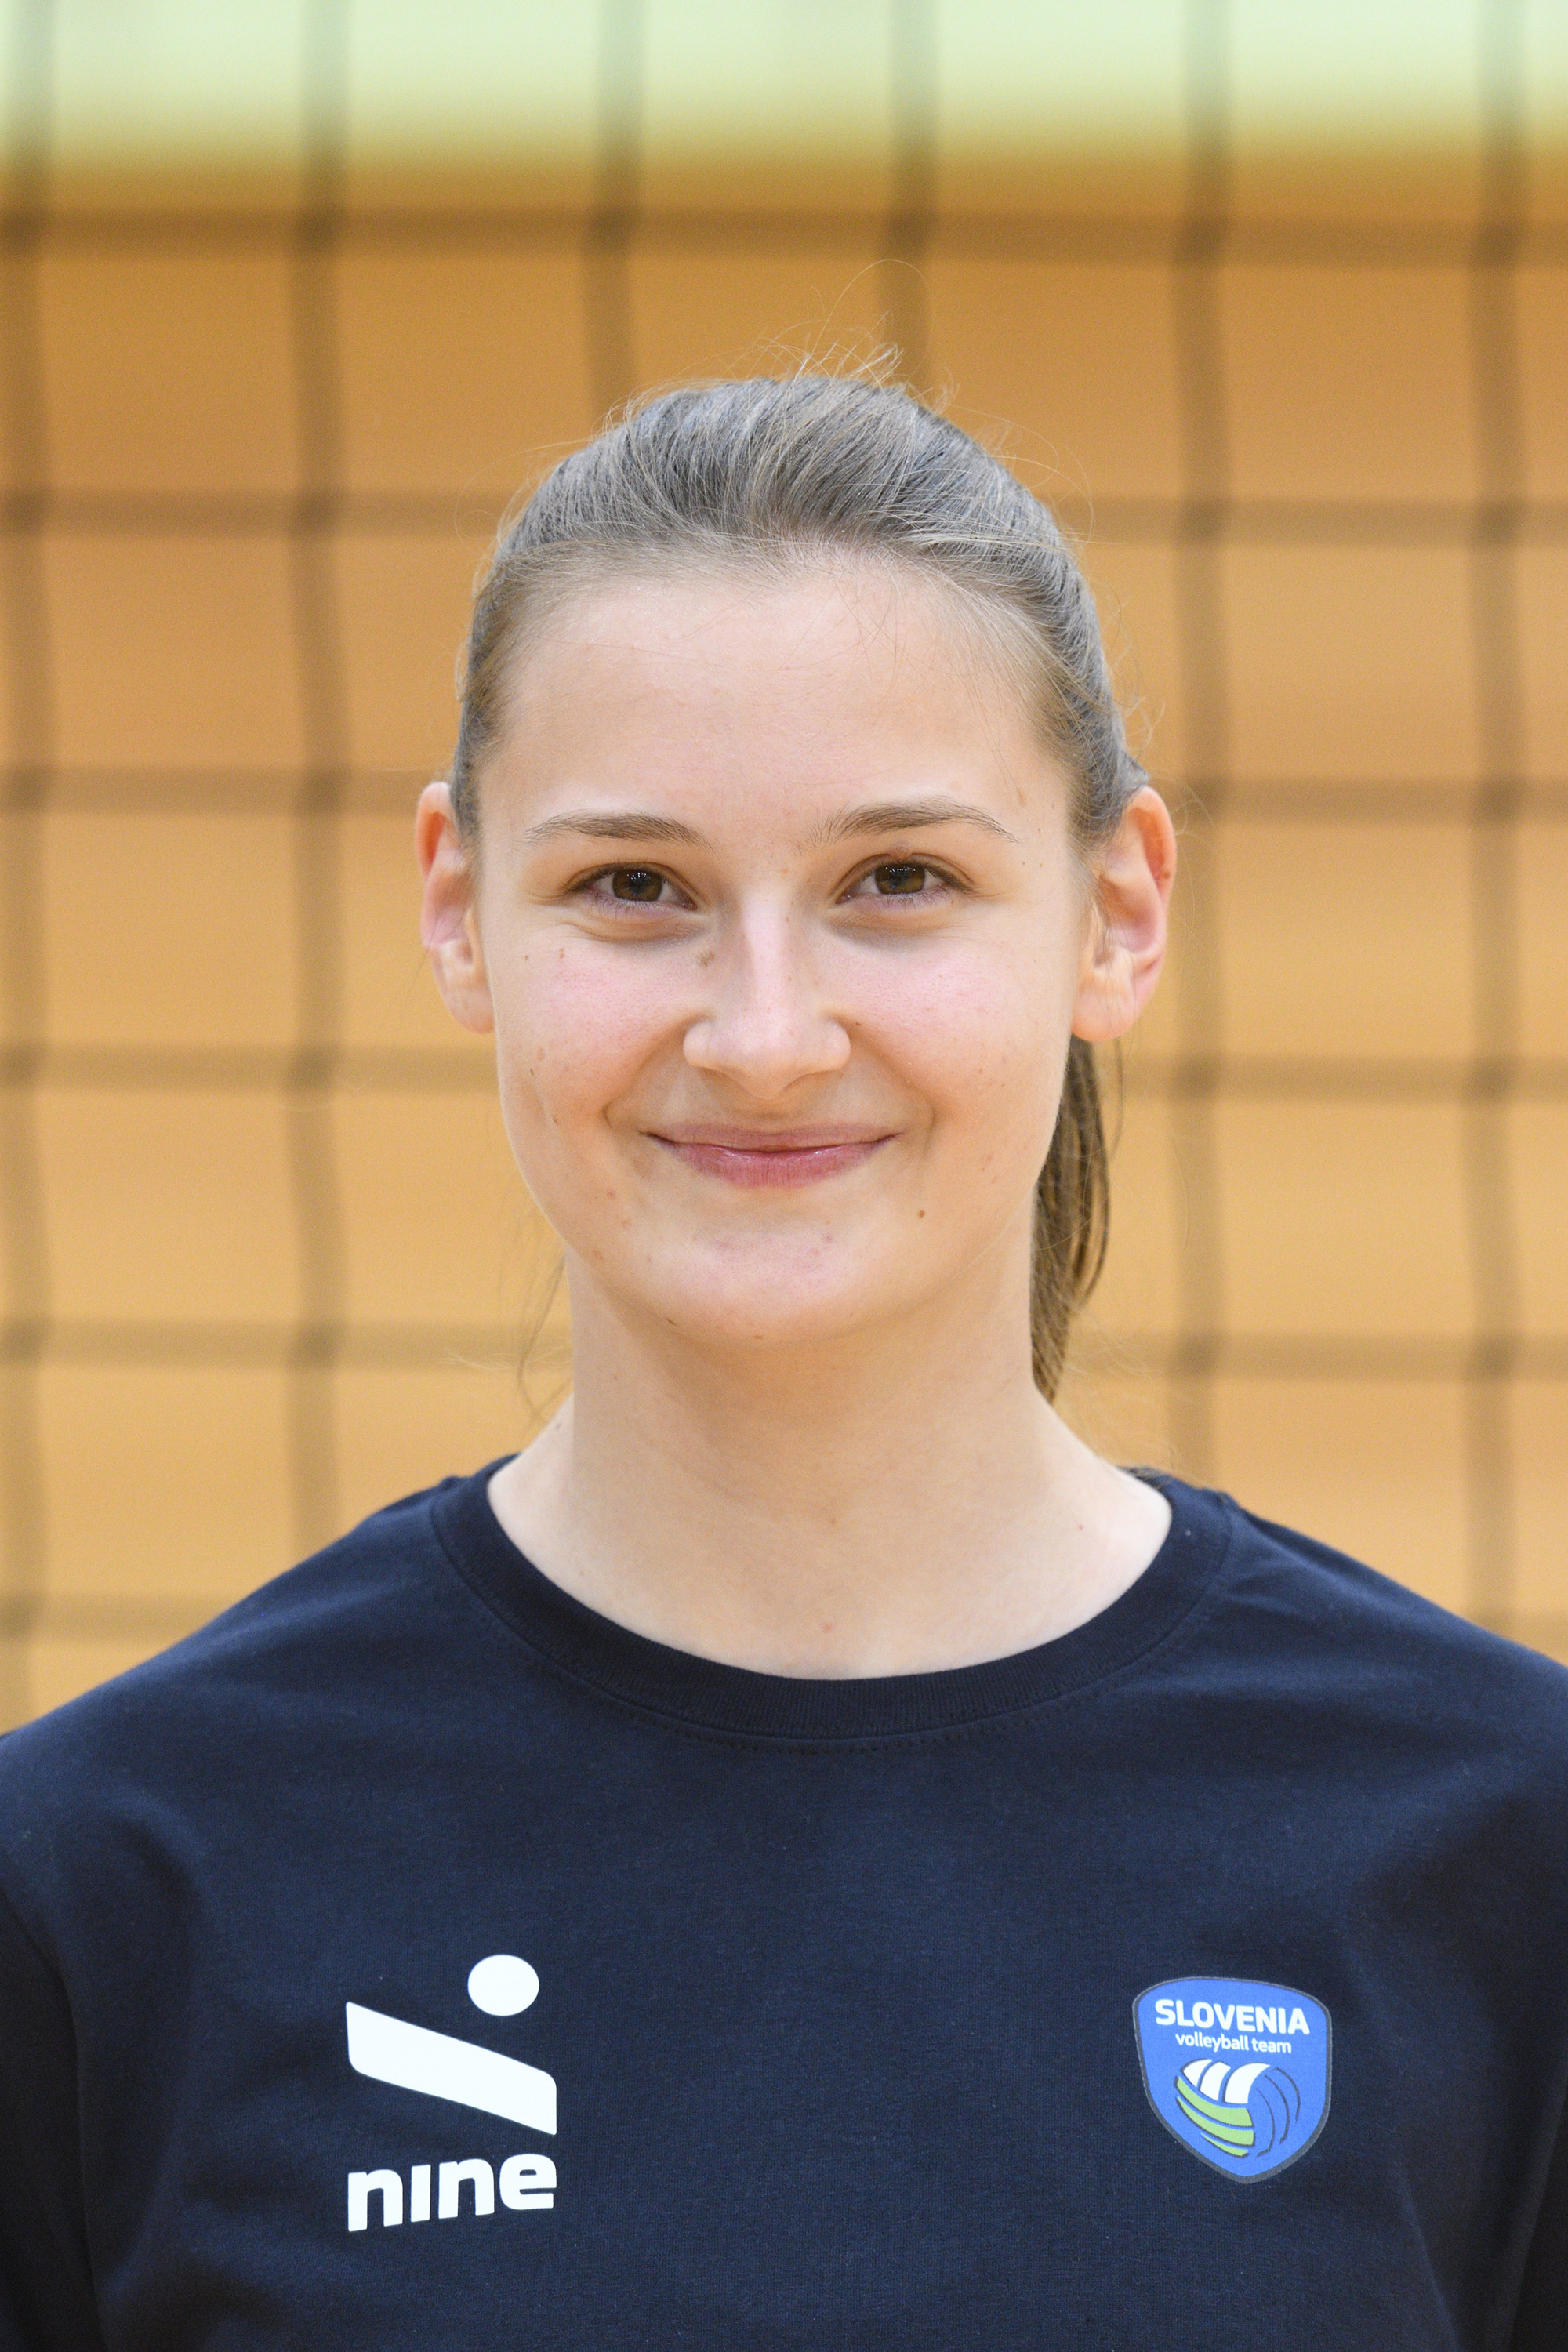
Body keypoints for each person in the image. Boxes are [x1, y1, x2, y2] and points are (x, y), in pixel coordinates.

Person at [0, 373, 1563, 2350]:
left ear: (1115, 911)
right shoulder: (105, 1884)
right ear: (458, 910)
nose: (762, 1036)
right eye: (631, 887)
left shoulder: (1500, 1840)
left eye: (897, 881)